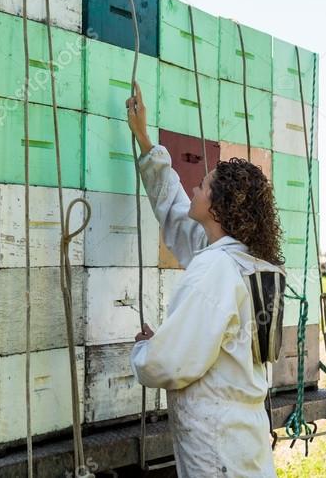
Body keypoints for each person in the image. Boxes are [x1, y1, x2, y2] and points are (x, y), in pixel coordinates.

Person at [125, 82, 285, 477]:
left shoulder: (216, 270)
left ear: (217, 206)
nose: (194, 186)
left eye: (203, 185)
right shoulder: (249, 262)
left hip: (216, 446)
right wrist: (146, 140)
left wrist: (145, 350)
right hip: (242, 437)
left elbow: (169, 363)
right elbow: (177, 215)